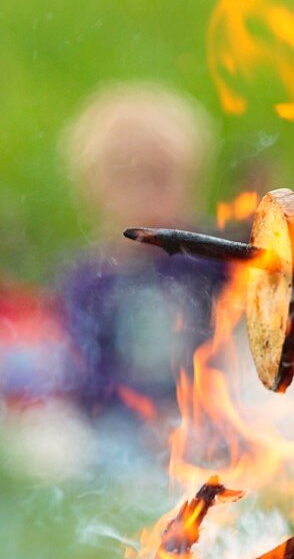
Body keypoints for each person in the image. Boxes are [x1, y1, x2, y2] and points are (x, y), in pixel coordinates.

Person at [58, 82, 224, 420]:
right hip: (122, 423)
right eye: (139, 181)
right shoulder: (92, 277)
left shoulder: (202, 260)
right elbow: (90, 370)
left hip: (201, 410)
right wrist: (141, 414)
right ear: (99, 189)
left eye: (168, 180)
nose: (156, 197)